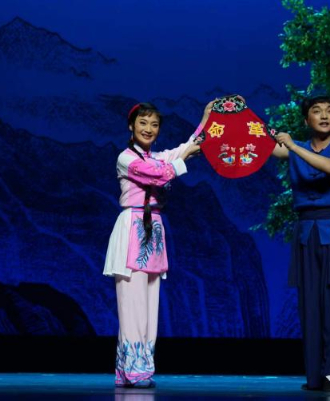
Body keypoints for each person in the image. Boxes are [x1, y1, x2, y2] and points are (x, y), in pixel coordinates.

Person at [103, 101, 212, 388]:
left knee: (150, 304)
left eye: (154, 124)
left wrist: (206, 118)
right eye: (143, 123)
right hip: (133, 226)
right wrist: (184, 155)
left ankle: (137, 369)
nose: (148, 129)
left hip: (154, 228)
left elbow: (190, 145)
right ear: (131, 126)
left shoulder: (158, 158)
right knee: (133, 303)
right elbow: (160, 174)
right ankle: (132, 369)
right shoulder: (126, 158)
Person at [272, 95, 330, 392]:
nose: (324, 115)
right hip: (307, 230)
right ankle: (315, 374)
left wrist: (292, 145)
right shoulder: (295, 149)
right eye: (317, 111)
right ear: (306, 119)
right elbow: (257, 148)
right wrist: (219, 122)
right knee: (310, 303)